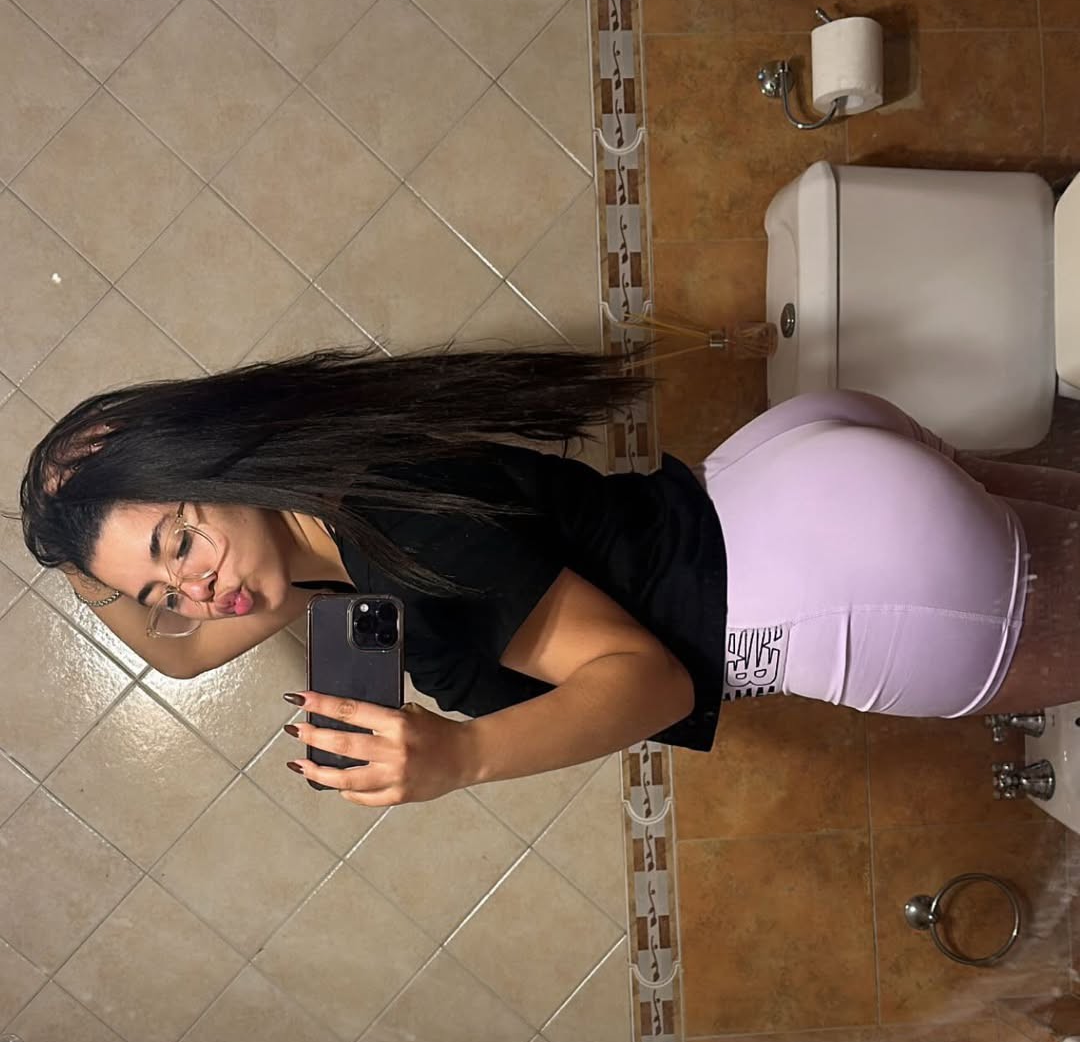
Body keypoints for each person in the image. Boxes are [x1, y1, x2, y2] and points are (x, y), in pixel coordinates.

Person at [19, 346, 1080, 810]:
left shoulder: (391, 530)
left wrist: (463, 756)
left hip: (841, 583)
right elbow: (178, 658)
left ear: (208, 469)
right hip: (791, 482)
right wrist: (69, 533)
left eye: (179, 545)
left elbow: (649, 682)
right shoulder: (314, 536)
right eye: (163, 592)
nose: (196, 595)